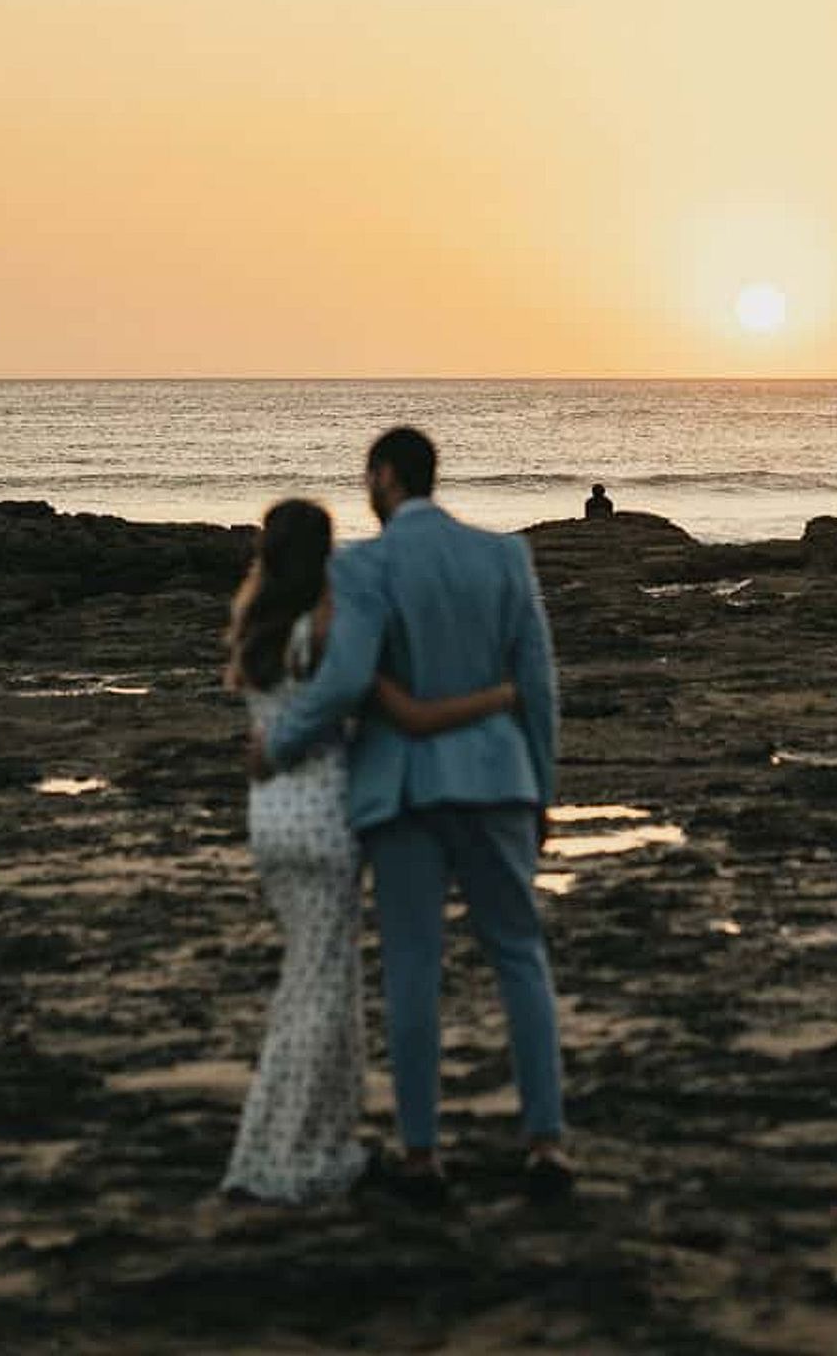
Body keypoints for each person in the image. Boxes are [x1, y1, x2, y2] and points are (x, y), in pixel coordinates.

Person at [251, 427, 571, 1204]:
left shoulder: (365, 565)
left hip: (402, 792)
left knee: (413, 967)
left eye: (370, 475)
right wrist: (542, 787)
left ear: (386, 477)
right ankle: (545, 1141)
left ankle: (422, 1151)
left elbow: (349, 674)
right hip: (498, 778)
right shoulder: (506, 557)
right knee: (520, 956)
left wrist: (281, 738)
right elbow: (539, 683)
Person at [223, 497, 516, 1205]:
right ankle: (293, 1155)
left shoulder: (255, 630)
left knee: (307, 980)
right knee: (323, 993)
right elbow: (402, 711)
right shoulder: (325, 629)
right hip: (323, 817)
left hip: (270, 818)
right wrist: (499, 696)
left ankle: (286, 1144)